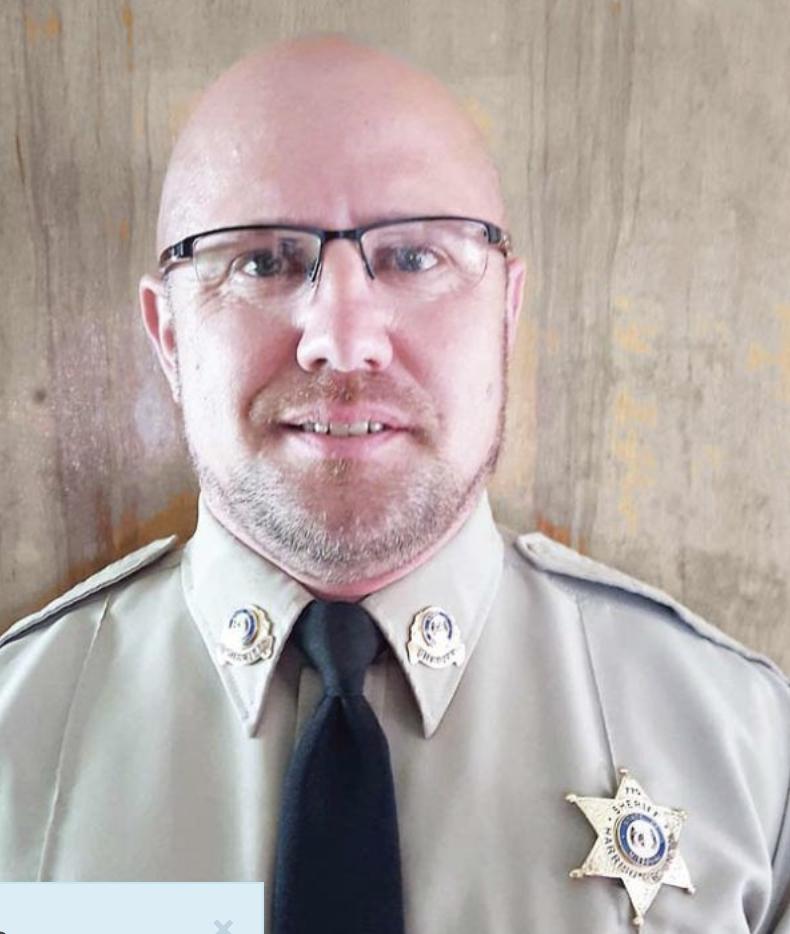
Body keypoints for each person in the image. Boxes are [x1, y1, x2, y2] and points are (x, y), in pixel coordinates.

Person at [1, 34, 788, 933]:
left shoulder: (750, 758)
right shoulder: (15, 746)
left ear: (507, 312)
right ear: (170, 335)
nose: (344, 339)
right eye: (261, 262)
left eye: (415, 258)